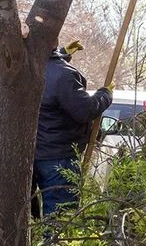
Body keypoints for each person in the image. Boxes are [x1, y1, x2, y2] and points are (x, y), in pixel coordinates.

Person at [33, 44, 113, 216]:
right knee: (60, 217)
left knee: (30, 217)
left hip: (32, 156)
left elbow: (49, 75)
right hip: (58, 157)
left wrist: (62, 54)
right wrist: (105, 94)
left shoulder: (25, 68)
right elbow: (85, 110)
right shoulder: (63, 75)